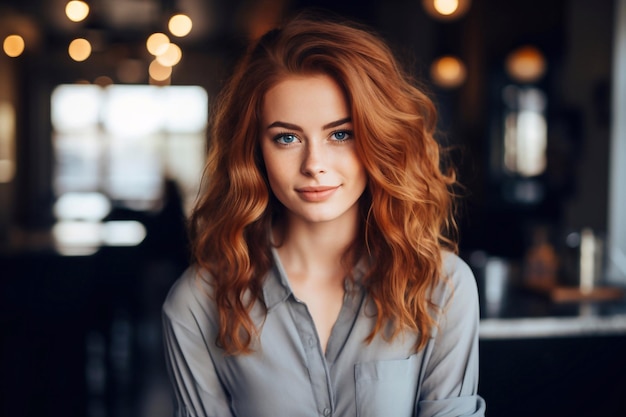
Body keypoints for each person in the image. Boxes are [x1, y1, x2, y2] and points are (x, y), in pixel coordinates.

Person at [162, 10, 486, 417]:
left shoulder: (442, 287)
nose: (314, 163)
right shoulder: (197, 304)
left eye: (340, 134)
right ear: (255, 151)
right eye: (286, 138)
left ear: (377, 137)